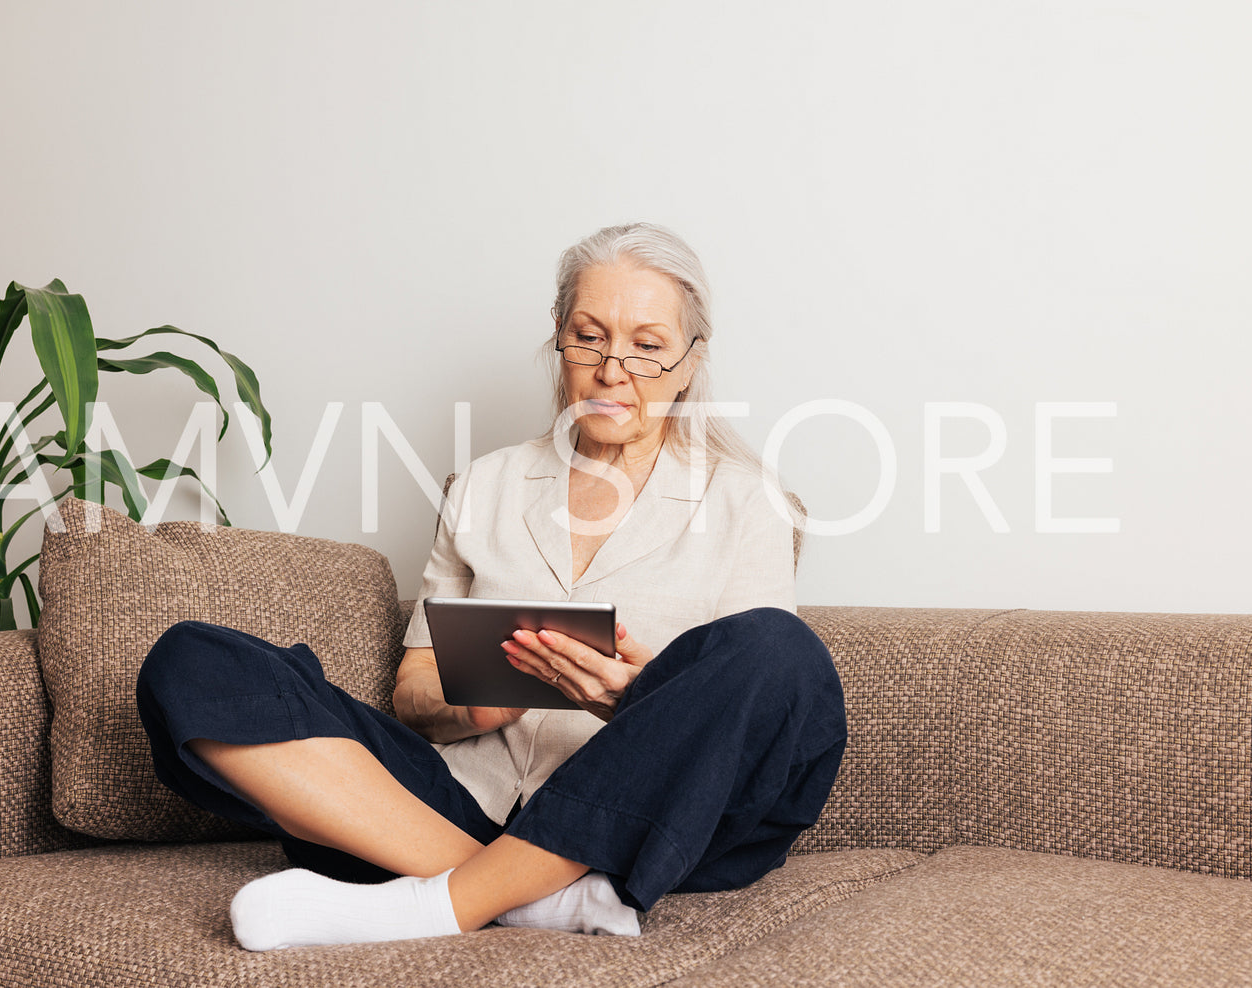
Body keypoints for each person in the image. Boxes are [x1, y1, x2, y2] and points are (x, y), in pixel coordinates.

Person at [136, 221, 847, 951]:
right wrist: (469, 707)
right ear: (558, 342)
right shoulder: (486, 485)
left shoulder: (746, 503)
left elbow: (753, 716)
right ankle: (519, 895)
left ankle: (442, 901)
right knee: (191, 659)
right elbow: (412, 693)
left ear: (690, 361)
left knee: (780, 649)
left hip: (638, 829)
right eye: (588, 336)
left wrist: (632, 702)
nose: (612, 369)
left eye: (647, 345)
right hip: (455, 807)